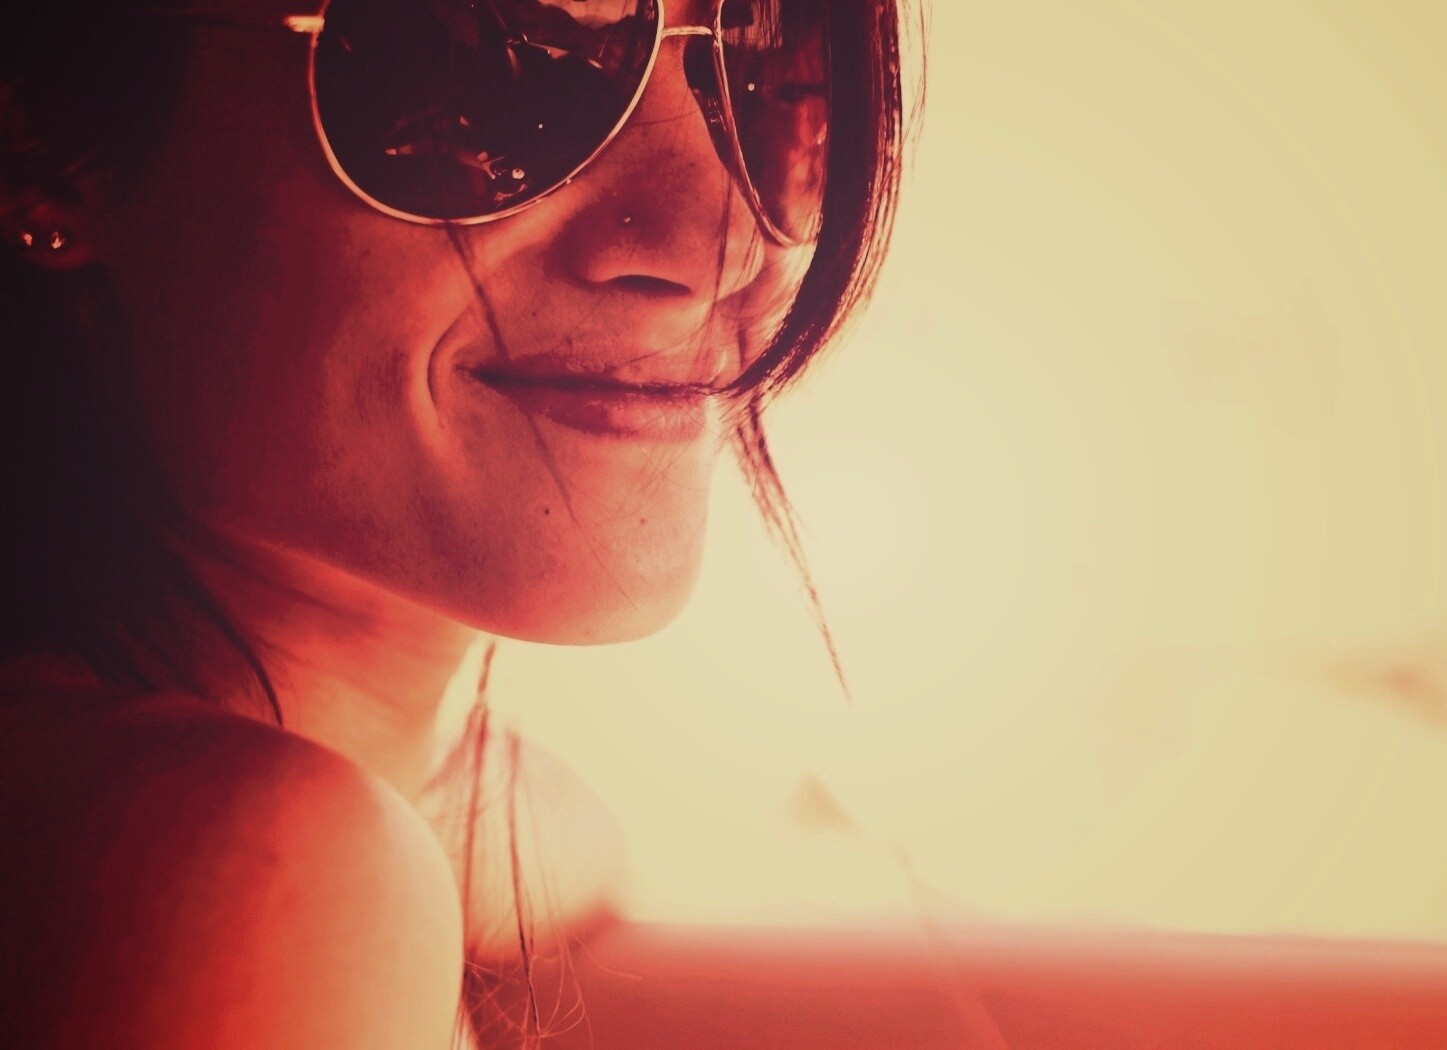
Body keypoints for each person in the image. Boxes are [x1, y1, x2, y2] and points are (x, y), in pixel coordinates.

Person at [0, 0, 910, 1045]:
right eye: (500, 56)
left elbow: (530, 823)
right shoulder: (255, 869)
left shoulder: (368, 813)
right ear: (48, 137)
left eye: (770, 68)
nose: (717, 236)